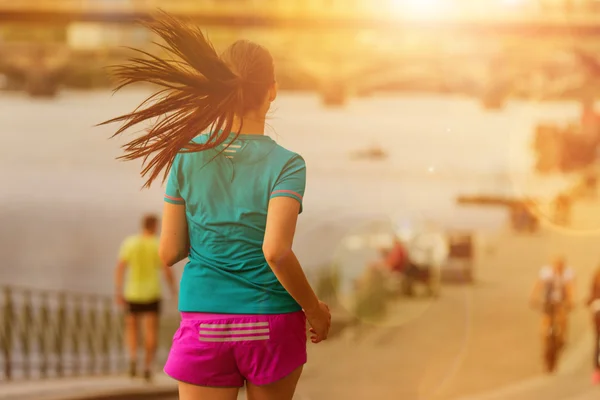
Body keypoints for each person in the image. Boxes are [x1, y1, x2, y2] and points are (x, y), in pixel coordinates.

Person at [101, 12, 331, 400]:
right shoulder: (288, 164)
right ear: (272, 91)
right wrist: (314, 310)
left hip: (204, 322)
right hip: (270, 324)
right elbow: (275, 251)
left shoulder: (187, 155)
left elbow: (170, 251)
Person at [115, 214, 177, 382]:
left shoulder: (130, 243)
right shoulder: (157, 244)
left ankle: (133, 358)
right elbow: (166, 269)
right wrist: (173, 289)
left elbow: (121, 267)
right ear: (154, 226)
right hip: (151, 293)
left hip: (132, 292)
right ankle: (147, 366)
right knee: (150, 331)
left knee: (132, 328)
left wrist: (119, 291)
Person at [530, 256, 575, 361]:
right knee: (545, 322)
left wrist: (571, 301)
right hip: (548, 301)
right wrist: (533, 296)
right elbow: (538, 285)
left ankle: (563, 338)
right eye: (556, 265)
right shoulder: (546, 273)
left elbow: (570, 288)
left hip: (561, 302)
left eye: (560, 265)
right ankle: (544, 341)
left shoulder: (567, 274)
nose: (558, 267)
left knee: (563, 319)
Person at [586, 266, 600, 384]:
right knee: (598, 339)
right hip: (598, 305)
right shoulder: (597, 275)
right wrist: (590, 300)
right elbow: (592, 292)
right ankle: (597, 369)